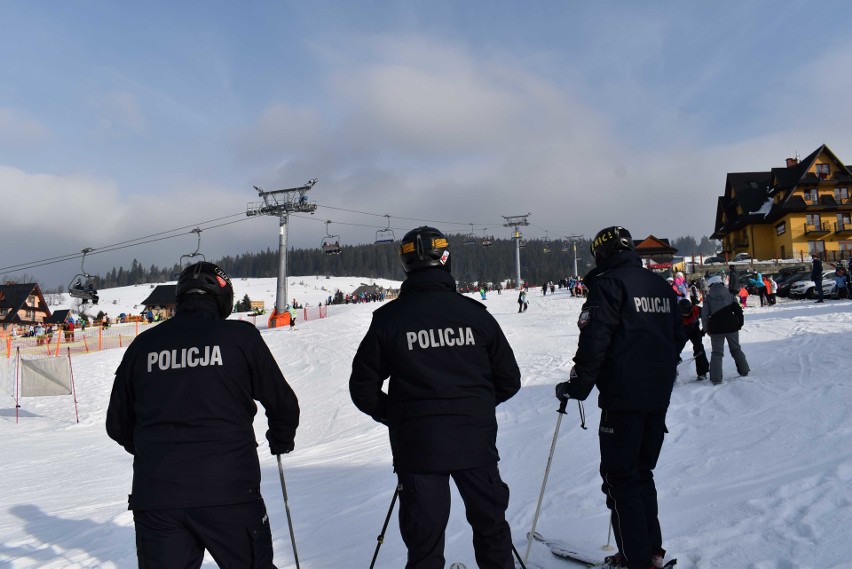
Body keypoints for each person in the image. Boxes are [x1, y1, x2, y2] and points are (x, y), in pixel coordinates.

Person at [106, 262, 300, 569]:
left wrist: (155, 449)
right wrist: (280, 438)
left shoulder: (143, 346)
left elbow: (117, 424)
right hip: (229, 490)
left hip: (158, 494)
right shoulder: (240, 337)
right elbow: (284, 404)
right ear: (222, 299)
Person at [349, 226, 521, 569]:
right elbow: (509, 380)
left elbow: (363, 389)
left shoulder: (389, 319)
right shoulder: (475, 315)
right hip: (474, 443)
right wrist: (475, 406)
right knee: (491, 531)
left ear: (407, 265)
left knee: (424, 544)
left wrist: (397, 415)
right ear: (446, 259)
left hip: (419, 447)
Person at [554, 226, 684, 569]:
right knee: (641, 473)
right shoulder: (660, 285)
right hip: (657, 394)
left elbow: (595, 341)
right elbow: (679, 335)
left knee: (620, 477)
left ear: (601, 253)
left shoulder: (607, 284)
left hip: (624, 397)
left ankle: (636, 558)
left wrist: (577, 387)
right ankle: (650, 549)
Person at [701, 274, 749, 385]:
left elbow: (705, 315)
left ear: (710, 285)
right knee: (736, 349)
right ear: (721, 283)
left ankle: (716, 378)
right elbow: (737, 309)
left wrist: (706, 328)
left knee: (717, 353)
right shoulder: (730, 294)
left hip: (716, 328)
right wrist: (740, 323)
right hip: (731, 326)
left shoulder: (708, 297)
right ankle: (744, 370)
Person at [677, 298, 710, 381]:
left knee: (699, 347)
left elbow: (706, 317)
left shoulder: (697, 309)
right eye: (684, 314)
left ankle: (702, 372)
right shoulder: (675, 313)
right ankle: (673, 371)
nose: (686, 315)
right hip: (682, 330)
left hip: (694, 329)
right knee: (674, 349)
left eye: (688, 313)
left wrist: (704, 330)